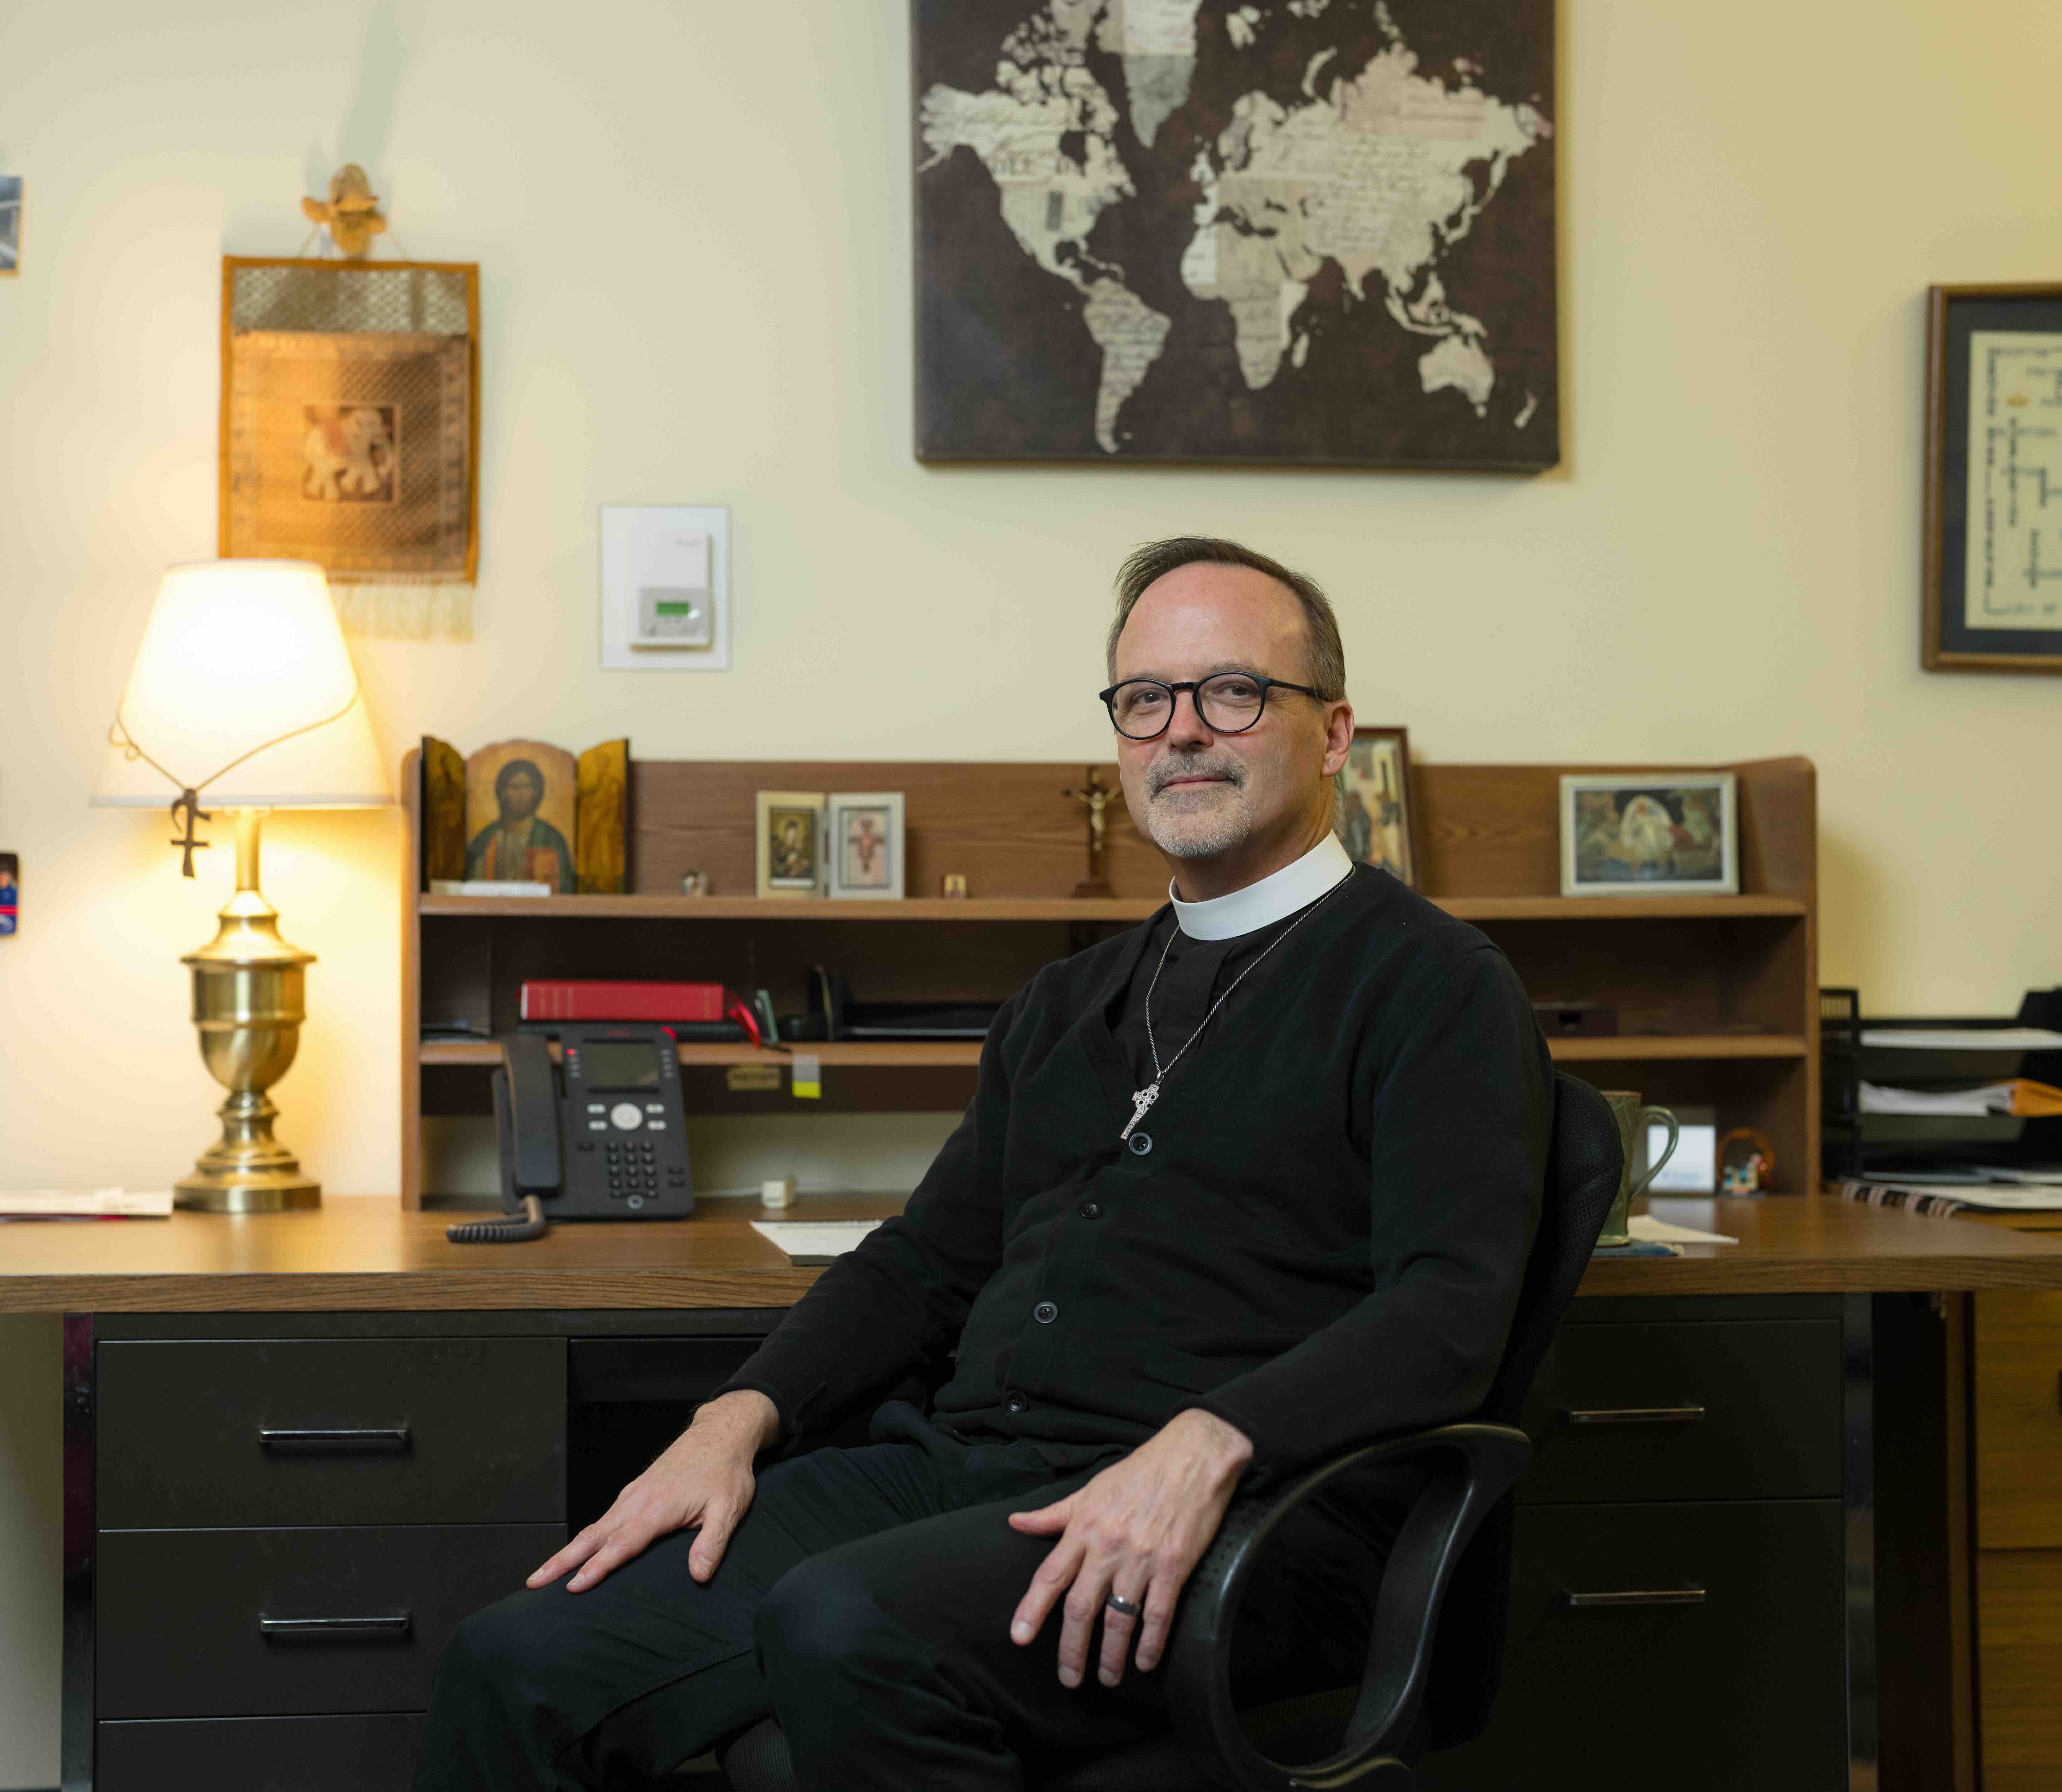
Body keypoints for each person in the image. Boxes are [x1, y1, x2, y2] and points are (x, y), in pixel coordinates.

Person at [421, 538, 1553, 1790]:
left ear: (1331, 733)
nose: (1180, 731)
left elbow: (1446, 1310)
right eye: (1143, 701)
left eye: (1230, 692)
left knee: (842, 1623)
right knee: (511, 1661)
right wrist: (729, 1416)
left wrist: (1211, 1437)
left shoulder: (1434, 984)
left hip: (1249, 1517)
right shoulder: (1064, 1002)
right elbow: (921, 1264)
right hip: (969, 1479)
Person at [466, 759, 577, 890]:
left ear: (537, 793)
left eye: (528, 787)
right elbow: (471, 889)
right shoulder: (485, 839)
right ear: (502, 793)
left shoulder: (552, 839)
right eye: (515, 787)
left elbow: (564, 890)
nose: (522, 794)